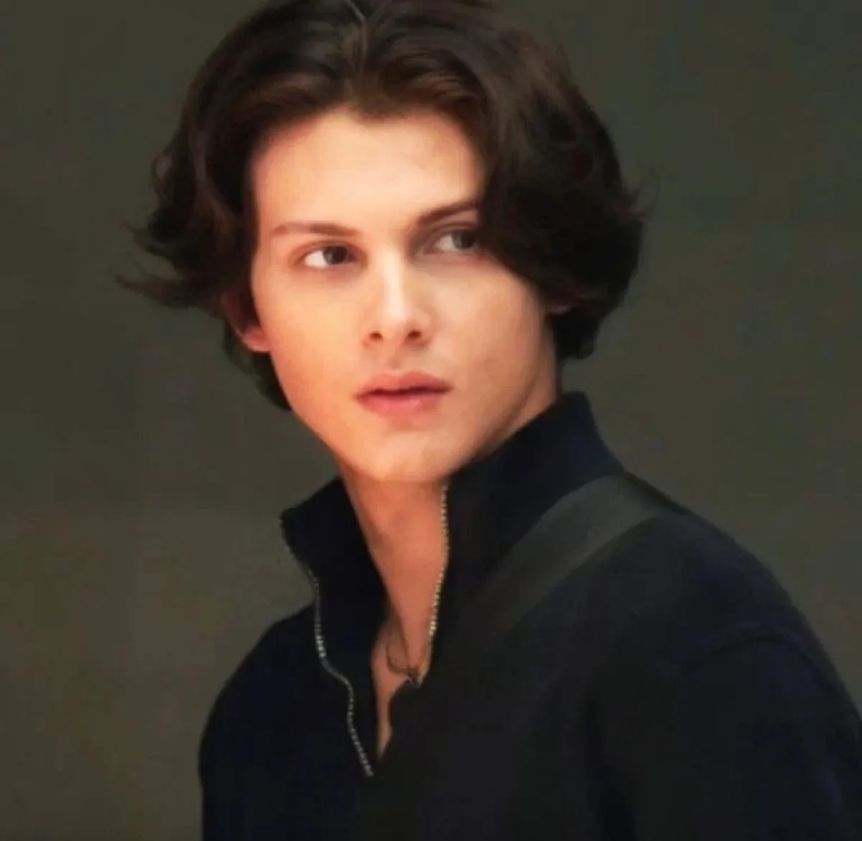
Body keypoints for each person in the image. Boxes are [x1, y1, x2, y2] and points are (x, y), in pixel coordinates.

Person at [121, 0, 862, 838]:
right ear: (246, 308)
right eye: (329, 256)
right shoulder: (272, 710)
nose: (395, 317)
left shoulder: (689, 634)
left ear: (552, 267)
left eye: (457, 240)